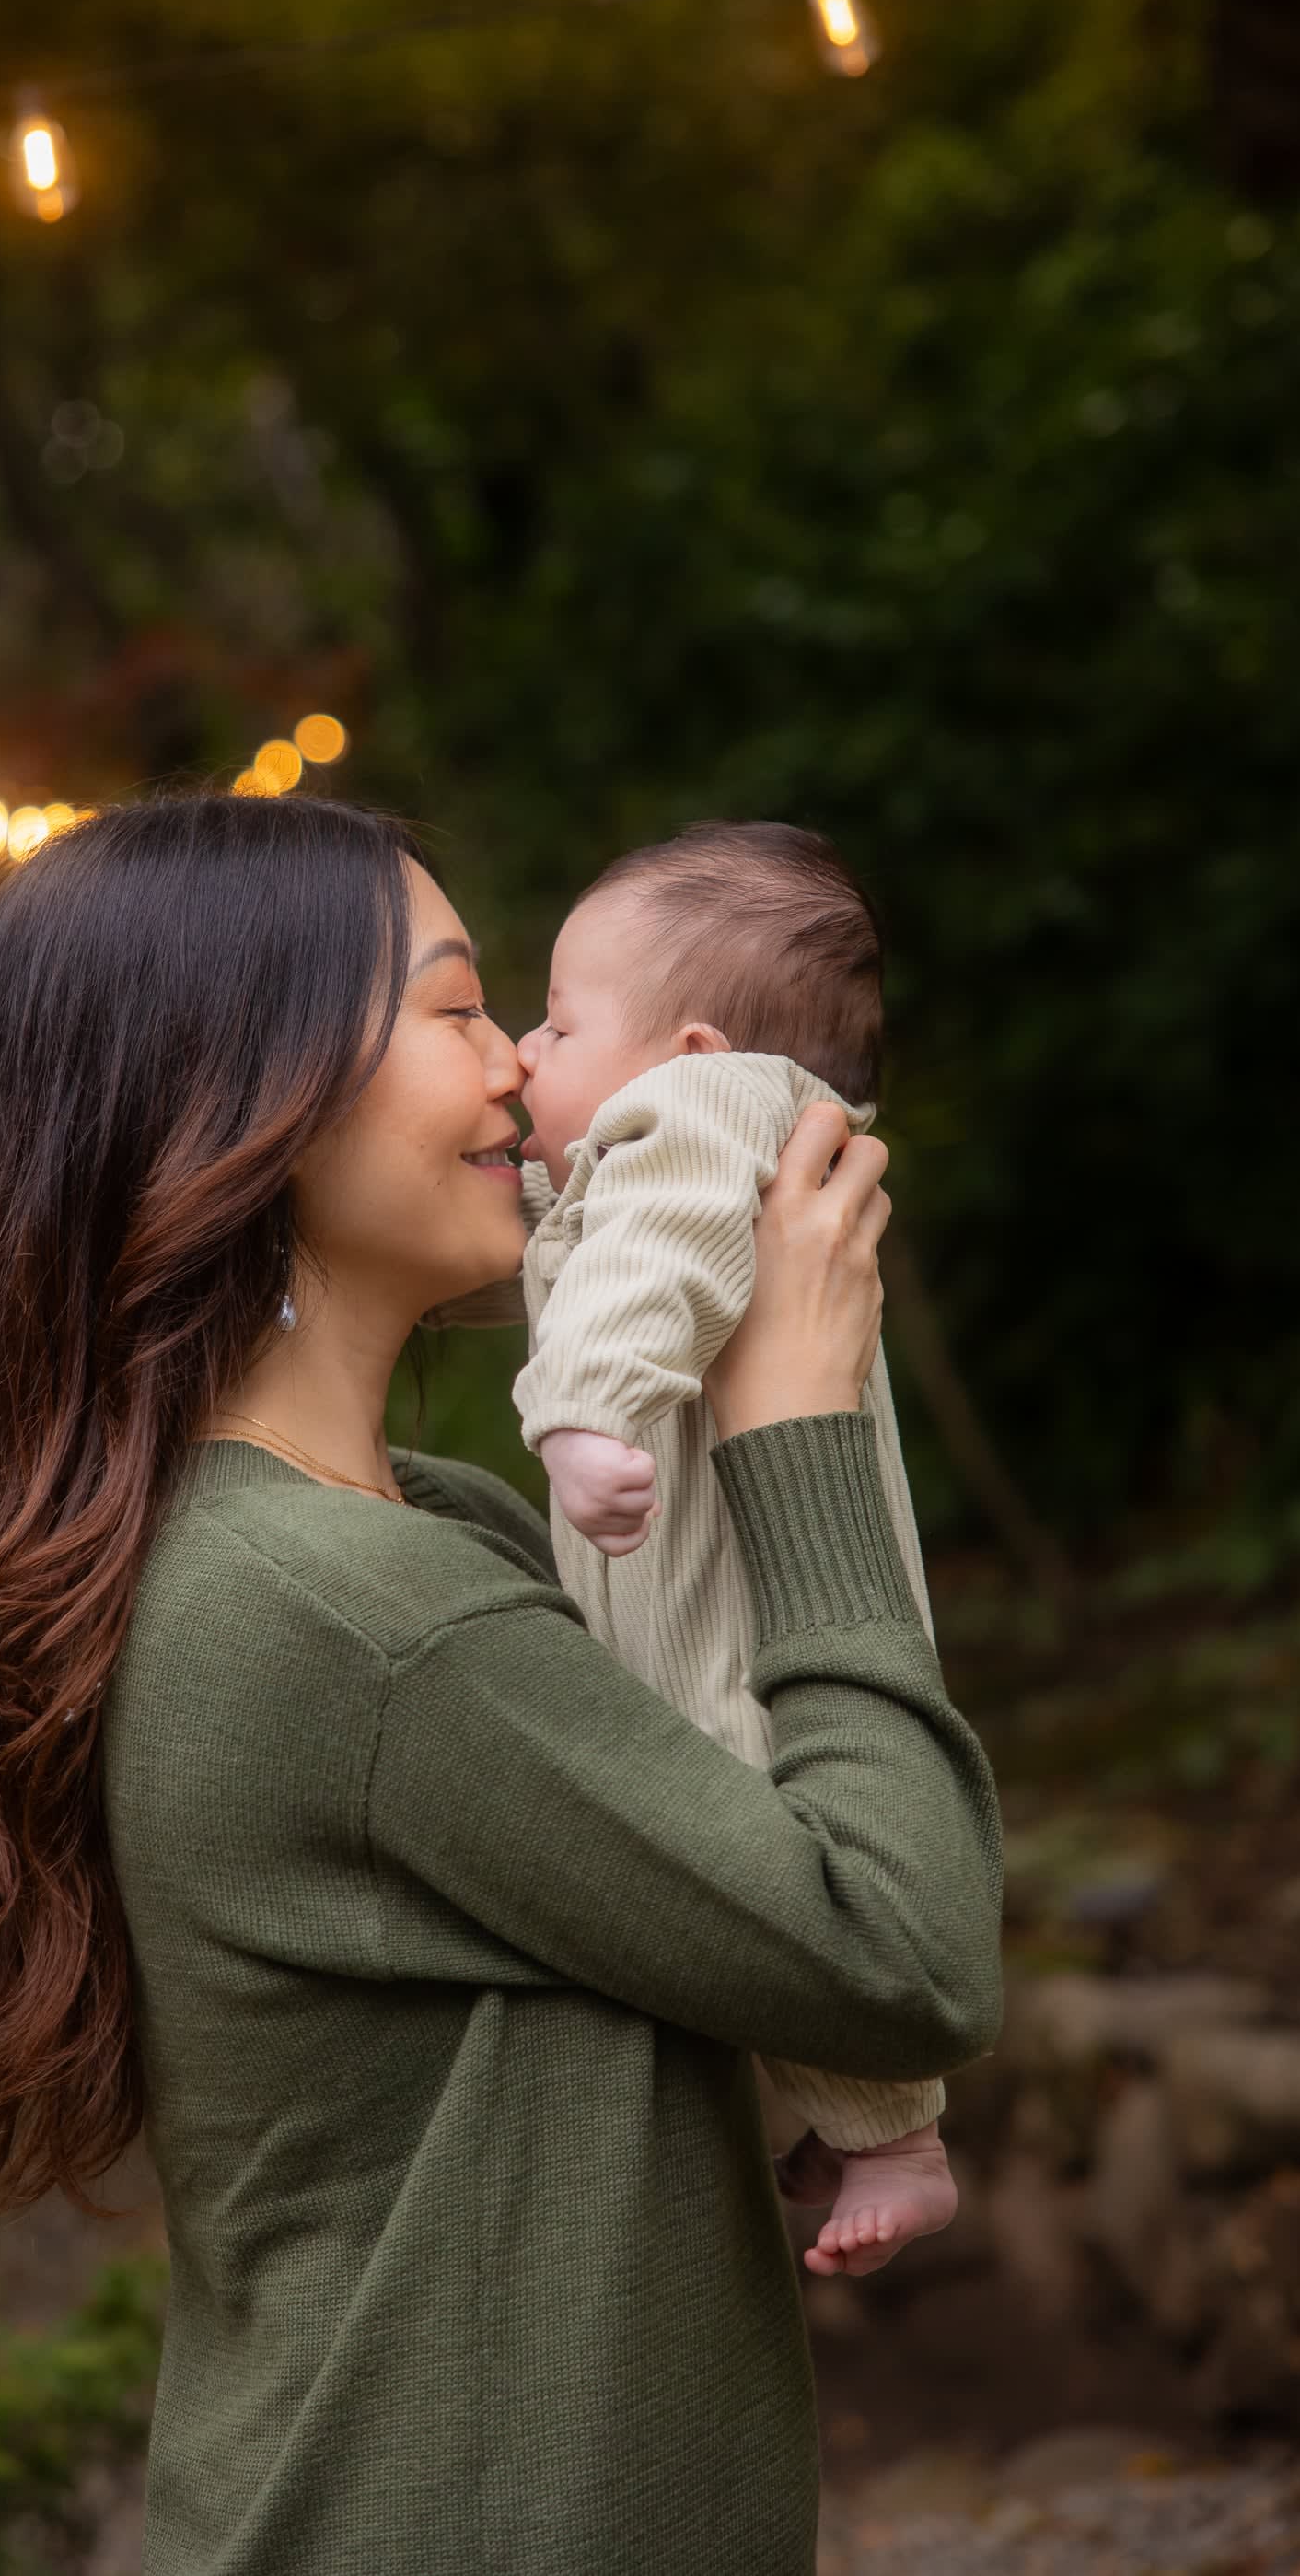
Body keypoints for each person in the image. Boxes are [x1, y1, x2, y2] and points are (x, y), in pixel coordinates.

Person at [0, 788, 1004, 2576]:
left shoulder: (418, 1537)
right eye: (462, 1004)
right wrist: (796, 1437)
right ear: (244, 1089)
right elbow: (902, 1952)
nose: (520, 1073)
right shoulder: (358, 1614)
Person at [486, 820, 958, 2281]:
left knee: (759, 1819)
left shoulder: (705, 1113)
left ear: (688, 1047)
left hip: (735, 1605)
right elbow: (606, 1243)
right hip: (720, 1575)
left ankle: (894, 2128)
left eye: (557, 1020)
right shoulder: (699, 1136)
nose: (519, 1048)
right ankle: (849, 2111)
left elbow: (650, 1270)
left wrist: (577, 1410)